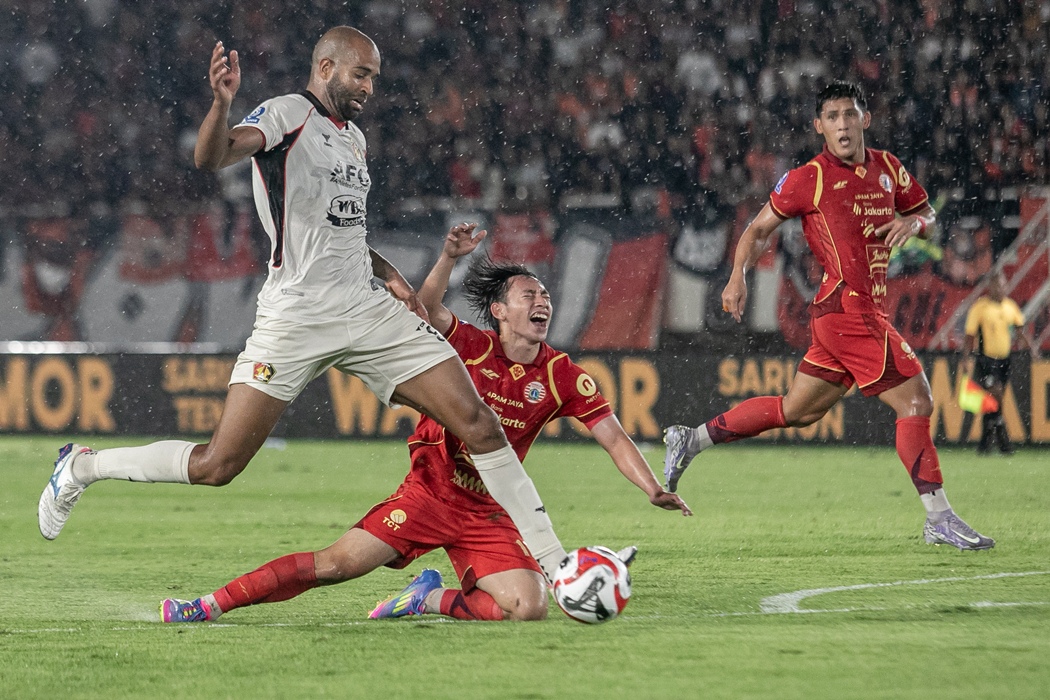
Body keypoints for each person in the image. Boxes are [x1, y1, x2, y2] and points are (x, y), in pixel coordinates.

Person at [38, 27, 569, 583]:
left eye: (374, 79)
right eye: (360, 74)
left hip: (366, 312)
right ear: (325, 67)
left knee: (478, 423)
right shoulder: (287, 114)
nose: (368, 87)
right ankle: (81, 467)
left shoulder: (355, 140)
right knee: (219, 465)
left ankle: (558, 569)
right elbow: (211, 156)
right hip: (295, 315)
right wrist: (221, 106)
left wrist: (392, 276)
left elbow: (343, 233)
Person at [160, 223, 690, 624]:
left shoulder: (563, 375)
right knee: (334, 566)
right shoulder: (467, 343)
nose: (542, 303)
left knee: (528, 609)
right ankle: (205, 606)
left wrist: (652, 488)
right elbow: (421, 310)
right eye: (530, 295)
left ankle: (426, 596)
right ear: (500, 311)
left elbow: (613, 437)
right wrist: (447, 257)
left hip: (490, 509)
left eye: (545, 298)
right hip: (429, 493)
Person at [663, 80, 995, 551]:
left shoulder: (888, 169)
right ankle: (939, 517)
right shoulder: (809, 178)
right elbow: (758, 229)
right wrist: (737, 276)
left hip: (849, 311)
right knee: (917, 401)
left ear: (865, 119)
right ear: (819, 127)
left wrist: (914, 222)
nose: (842, 123)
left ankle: (690, 440)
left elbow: (927, 214)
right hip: (847, 309)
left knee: (795, 411)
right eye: (832, 116)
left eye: (849, 113)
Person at [963, 269, 1038, 454]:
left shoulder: (1010, 306)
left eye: (1003, 284)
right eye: (997, 285)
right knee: (995, 396)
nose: (1000, 288)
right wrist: (966, 357)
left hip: (1005, 360)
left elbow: (1020, 331)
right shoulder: (980, 307)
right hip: (986, 360)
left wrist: (1032, 349)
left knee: (994, 402)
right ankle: (1004, 444)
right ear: (990, 287)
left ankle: (984, 445)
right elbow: (970, 335)